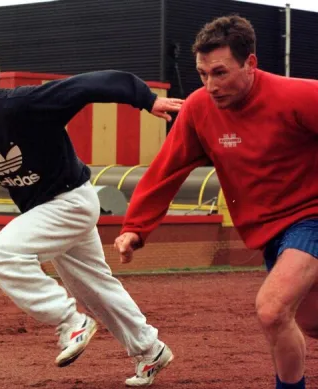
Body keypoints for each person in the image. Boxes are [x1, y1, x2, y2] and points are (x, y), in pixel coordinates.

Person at [0, 44, 183, 386]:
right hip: (50, 210)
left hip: (70, 200)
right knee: (96, 289)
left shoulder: (23, 105)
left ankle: (70, 321)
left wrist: (145, 98)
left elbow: (87, 85)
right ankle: (151, 349)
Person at [114, 15, 318, 389]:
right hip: (270, 233)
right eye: (203, 74)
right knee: (310, 322)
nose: (210, 85)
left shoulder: (300, 96)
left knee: (272, 309)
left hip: (312, 218)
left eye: (220, 73)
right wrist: (135, 228)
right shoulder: (198, 109)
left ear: (250, 64)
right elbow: (165, 170)